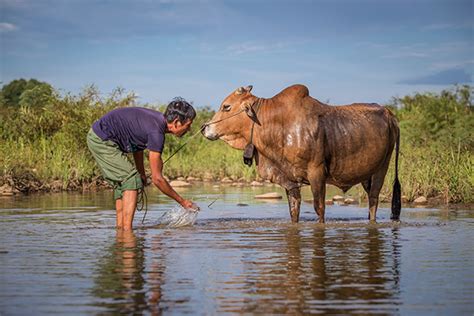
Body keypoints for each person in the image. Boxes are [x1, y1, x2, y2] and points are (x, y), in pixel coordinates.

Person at [87, 97, 199, 230]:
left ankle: (120, 229)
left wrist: (142, 173)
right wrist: (183, 202)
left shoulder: (156, 123)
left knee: (124, 182)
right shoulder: (156, 132)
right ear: (176, 122)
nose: (189, 129)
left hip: (100, 136)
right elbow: (157, 179)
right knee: (130, 179)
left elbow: (137, 146)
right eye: (188, 124)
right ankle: (127, 233)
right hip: (101, 139)